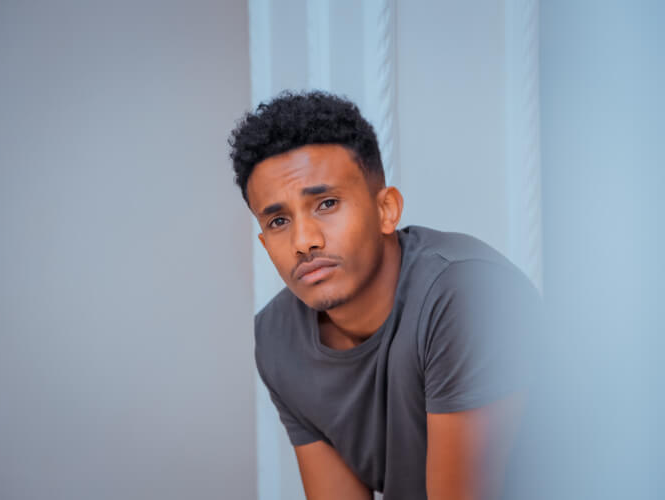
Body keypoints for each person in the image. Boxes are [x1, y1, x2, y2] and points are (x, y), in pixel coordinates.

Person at [228, 91, 542, 500]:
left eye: (326, 203)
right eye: (278, 220)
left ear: (387, 210)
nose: (304, 242)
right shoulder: (277, 336)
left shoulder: (465, 293)